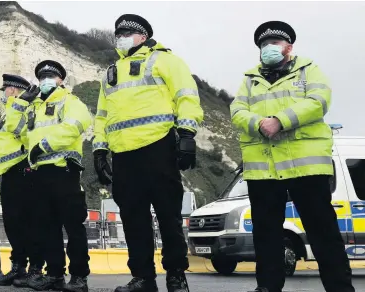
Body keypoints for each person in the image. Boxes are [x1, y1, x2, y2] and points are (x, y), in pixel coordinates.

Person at [230, 21, 354, 292]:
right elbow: (237, 110)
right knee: (266, 234)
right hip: (264, 170)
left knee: (323, 233)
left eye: (273, 43)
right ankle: (268, 287)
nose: (268, 48)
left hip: (306, 167)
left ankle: (340, 288)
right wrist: (258, 123)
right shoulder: (250, 80)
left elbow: (319, 101)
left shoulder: (309, 70)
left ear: (289, 47)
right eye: (263, 45)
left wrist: (280, 121)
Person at [91, 14, 203, 292]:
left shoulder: (164, 60)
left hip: (158, 148)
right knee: (133, 219)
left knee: (168, 216)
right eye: (118, 33)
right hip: (124, 155)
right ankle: (143, 278)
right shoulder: (110, 73)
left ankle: (176, 274)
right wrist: (99, 149)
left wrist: (187, 134)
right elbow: (102, 116)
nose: (121, 37)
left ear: (143, 36)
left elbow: (187, 96)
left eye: (127, 32)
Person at [24, 60, 92, 292]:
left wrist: (43, 145)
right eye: (41, 77)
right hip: (40, 174)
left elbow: (77, 125)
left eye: (50, 76)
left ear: (61, 79)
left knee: (73, 226)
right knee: (47, 227)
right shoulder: (35, 109)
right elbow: (24, 136)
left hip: (64, 171)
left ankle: (79, 277)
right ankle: (54, 274)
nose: (45, 80)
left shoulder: (70, 101)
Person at [0, 74, 44, 287]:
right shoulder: (11, 109)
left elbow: (20, 131)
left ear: (13, 89)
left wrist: (21, 104)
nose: (4, 93)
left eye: (6, 89)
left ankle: (35, 268)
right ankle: (18, 266)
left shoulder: (29, 106)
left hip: (24, 168)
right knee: (13, 223)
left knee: (28, 222)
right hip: (9, 170)